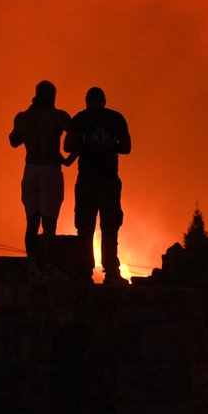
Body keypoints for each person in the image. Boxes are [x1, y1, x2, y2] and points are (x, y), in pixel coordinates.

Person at [64, 87, 131, 284]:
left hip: (87, 181)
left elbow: (67, 146)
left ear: (87, 101)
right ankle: (111, 272)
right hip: (108, 181)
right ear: (103, 100)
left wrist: (85, 145)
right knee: (109, 228)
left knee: (85, 229)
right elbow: (127, 147)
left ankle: (85, 272)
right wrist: (109, 146)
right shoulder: (116, 118)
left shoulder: (80, 119)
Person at [9, 80, 72, 257]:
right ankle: (49, 267)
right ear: (53, 96)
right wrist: (68, 159)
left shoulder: (23, 117)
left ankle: (33, 266)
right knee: (49, 223)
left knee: (32, 222)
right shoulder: (59, 116)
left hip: (30, 170)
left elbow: (14, 141)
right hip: (50, 170)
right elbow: (76, 137)